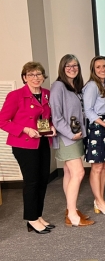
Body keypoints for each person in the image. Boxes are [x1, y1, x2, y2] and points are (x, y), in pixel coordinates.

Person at [0, 62, 56, 234]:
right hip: (24, 145)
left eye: (39, 74)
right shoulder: (15, 95)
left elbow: (49, 117)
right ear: (24, 77)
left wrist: (52, 127)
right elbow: (3, 121)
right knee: (31, 182)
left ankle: (38, 215)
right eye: (31, 74)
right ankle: (31, 219)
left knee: (42, 180)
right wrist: (24, 129)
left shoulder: (47, 94)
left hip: (43, 142)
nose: (36, 78)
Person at [50, 55, 94, 226]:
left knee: (69, 172)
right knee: (79, 173)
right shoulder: (58, 86)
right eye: (68, 65)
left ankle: (71, 210)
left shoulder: (74, 87)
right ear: (62, 67)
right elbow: (56, 116)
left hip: (76, 136)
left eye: (75, 65)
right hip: (67, 137)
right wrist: (70, 133)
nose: (72, 68)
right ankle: (72, 216)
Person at [83, 56, 105, 215]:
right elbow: (88, 110)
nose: (102, 69)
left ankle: (99, 200)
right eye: (98, 67)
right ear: (93, 69)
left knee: (104, 165)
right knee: (97, 167)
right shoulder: (91, 86)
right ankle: (100, 201)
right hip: (96, 127)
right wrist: (103, 123)